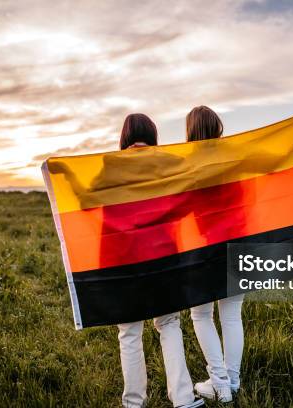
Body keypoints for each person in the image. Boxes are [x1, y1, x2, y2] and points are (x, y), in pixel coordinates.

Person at [113, 113, 204, 408]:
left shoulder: (108, 167)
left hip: (126, 259)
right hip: (165, 254)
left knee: (129, 332)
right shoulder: (168, 163)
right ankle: (183, 398)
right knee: (169, 323)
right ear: (153, 134)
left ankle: (133, 403)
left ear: (125, 136)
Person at [186, 106, 245, 403]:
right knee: (232, 315)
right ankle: (231, 383)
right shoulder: (233, 163)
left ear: (191, 131)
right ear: (218, 127)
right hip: (240, 245)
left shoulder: (190, 168)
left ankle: (220, 385)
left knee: (201, 314)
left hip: (206, 249)